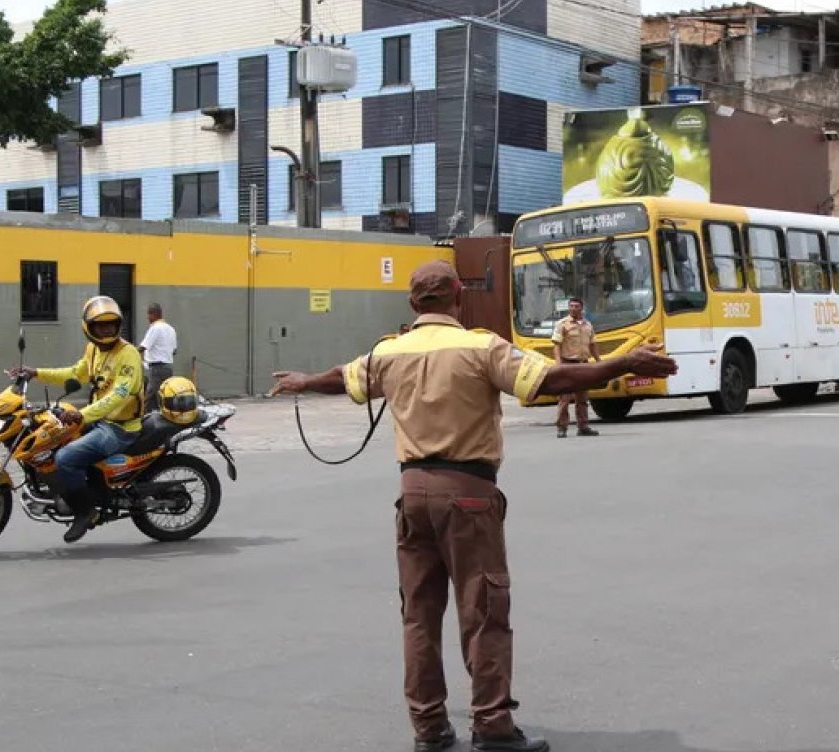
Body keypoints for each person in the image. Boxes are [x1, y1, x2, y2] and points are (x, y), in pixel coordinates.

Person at [269, 261, 677, 752]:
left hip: (412, 495)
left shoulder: (390, 352)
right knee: (483, 610)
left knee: (419, 615)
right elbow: (550, 380)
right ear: (458, 296)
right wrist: (623, 363)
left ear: (412, 304)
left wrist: (304, 380)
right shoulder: (481, 347)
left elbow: (345, 377)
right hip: (468, 493)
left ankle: (430, 730)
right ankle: (492, 727)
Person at [8, 295, 145, 543]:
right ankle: (79, 489)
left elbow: (119, 396)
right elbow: (75, 373)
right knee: (51, 436)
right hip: (100, 419)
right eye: (100, 326)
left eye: (110, 325)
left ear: (118, 325)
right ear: (88, 328)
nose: (106, 330)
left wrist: (82, 415)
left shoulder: (129, 354)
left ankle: (85, 512)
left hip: (120, 428)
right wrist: (36, 373)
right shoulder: (93, 350)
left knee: (65, 458)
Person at [550, 297, 600, 438]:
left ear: (581, 308)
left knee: (582, 398)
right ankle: (562, 427)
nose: (573, 308)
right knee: (564, 399)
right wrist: (558, 364)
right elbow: (556, 345)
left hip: (583, 364)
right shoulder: (562, 324)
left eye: (576, 306)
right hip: (567, 365)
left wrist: (598, 361)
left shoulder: (588, 325)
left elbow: (593, 344)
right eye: (571, 306)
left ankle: (583, 426)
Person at [139, 303, 178, 412]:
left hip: (157, 369)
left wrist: (129, 353)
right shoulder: (171, 329)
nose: (147, 318)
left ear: (154, 314)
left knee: (150, 397)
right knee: (165, 396)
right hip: (168, 368)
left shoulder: (155, 328)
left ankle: (144, 423)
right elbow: (174, 351)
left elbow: (143, 347)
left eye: (149, 314)